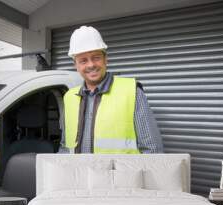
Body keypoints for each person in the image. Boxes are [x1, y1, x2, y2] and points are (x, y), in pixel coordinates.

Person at [58, 25, 163, 154]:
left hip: (120, 174)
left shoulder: (132, 92)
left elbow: (152, 150)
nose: (91, 65)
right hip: (79, 173)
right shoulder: (69, 97)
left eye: (96, 57)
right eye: (83, 60)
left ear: (105, 59)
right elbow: (65, 147)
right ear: (76, 65)